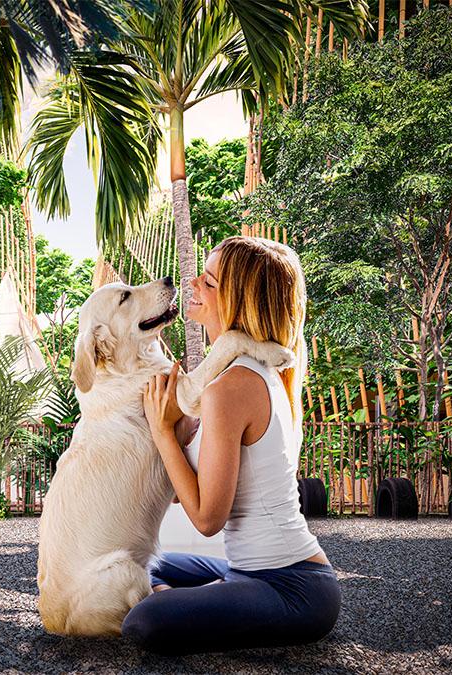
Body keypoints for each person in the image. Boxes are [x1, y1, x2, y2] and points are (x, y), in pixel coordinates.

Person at [121, 236, 341, 656]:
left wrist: (164, 432)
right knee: (137, 562)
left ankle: (208, 599)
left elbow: (207, 519)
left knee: (143, 621)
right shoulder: (240, 370)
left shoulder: (234, 386)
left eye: (208, 281)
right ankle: (218, 595)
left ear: (239, 301)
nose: (192, 283)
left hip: (293, 587)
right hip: (247, 572)